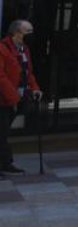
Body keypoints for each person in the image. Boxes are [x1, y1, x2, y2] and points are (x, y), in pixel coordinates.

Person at [0, 20, 41, 175]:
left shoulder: (24, 49)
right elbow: (1, 77)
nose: (31, 34)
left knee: (3, 133)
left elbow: (27, 72)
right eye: (28, 31)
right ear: (17, 33)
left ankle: (5, 163)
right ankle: (5, 162)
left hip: (17, 97)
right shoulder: (2, 49)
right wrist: (14, 98)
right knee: (1, 132)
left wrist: (35, 88)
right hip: (4, 99)